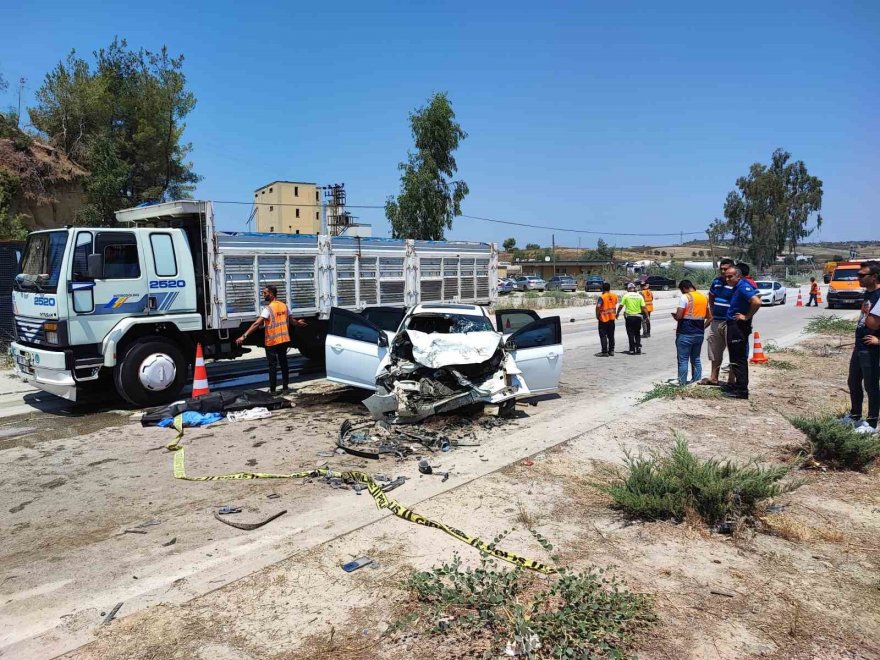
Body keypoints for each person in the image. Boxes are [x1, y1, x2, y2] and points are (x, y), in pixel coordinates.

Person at [235, 285, 306, 394]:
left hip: (272, 341)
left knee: (272, 366)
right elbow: (292, 321)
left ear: (271, 294)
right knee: (284, 363)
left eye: (265, 293)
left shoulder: (268, 309)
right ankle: (285, 388)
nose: (263, 295)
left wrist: (244, 336)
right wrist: (299, 323)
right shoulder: (284, 306)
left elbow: (256, 324)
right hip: (283, 340)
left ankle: (273, 390)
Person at [840, 261, 880, 433]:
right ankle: (855, 415)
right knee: (853, 381)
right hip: (860, 345)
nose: (858, 278)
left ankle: (871, 423)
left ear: (874, 277)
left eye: (862, 275)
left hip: (872, 349)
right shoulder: (868, 294)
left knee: (871, 385)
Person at [723, 265, 762, 399]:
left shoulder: (742, 287)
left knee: (738, 358)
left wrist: (746, 316)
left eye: (730, 276)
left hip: (738, 326)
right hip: (734, 325)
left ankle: (741, 390)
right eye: (726, 277)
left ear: (738, 276)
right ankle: (738, 386)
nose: (727, 279)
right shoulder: (737, 287)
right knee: (735, 357)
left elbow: (756, 302)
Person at [700, 258, 735, 386]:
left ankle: (732, 380)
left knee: (733, 351)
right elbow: (711, 295)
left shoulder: (736, 283)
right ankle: (714, 378)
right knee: (714, 350)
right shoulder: (716, 282)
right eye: (721, 269)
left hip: (730, 322)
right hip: (716, 321)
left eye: (726, 269)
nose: (723, 271)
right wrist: (712, 311)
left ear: (733, 269)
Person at [672, 279, 710, 385]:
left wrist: (675, 316)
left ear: (684, 288)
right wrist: (702, 327)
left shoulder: (685, 297)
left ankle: (682, 383)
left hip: (685, 333)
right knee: (696, 359)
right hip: (699, 333)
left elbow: (679, 316)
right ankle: (696, 382)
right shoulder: (704, 297)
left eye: (682, 290)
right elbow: (710, 317)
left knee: (683, 360)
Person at [617, 283, 646, 355]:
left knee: (630, 333)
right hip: (638, 317)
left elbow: (621, 306)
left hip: (629, 317)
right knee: (637, 333)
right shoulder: (639, 296)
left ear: (628, 289)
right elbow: (643, 307)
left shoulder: (626, 295)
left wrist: (617, 313)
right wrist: (647, 316)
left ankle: (632, 349)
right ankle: (638, 348)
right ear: (634, 288)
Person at [595, 282, 619, 356]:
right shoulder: (614, 296)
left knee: (603, 335)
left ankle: (604, 352)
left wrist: (597, 315)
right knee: (611, 335)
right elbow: (615, 303)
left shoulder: (602, 297)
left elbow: (598, 306)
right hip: (612, 318)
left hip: (603, 318)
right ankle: (611, 350)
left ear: (602, 288)